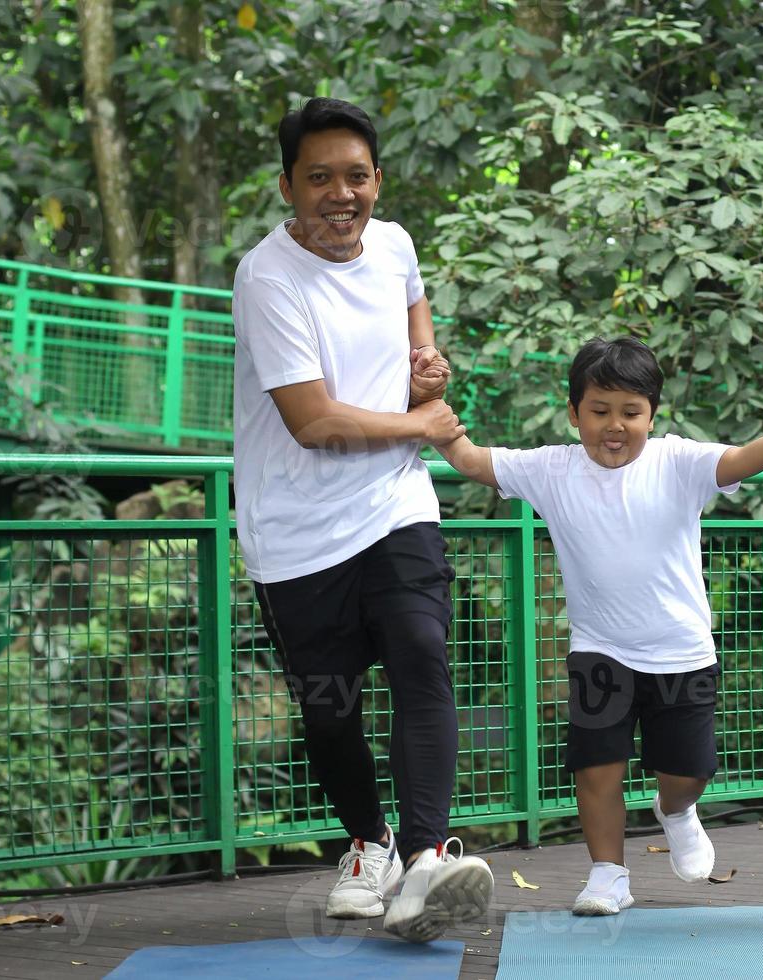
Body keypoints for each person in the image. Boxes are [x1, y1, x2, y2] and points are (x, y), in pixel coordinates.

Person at [435, 336, 763, 916]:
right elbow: (470, 460)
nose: (614, 426)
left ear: (652, 414)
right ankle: (607, 874)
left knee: (687, 773)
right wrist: (437, 418)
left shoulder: (680, 461)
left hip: (682, 651)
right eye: (599, 411)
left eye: (630, 412)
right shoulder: (550, 469)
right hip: (600, 650)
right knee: (596, 769)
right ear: (574, 413)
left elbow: (745, 458)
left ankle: (676, 812)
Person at [231, 96, 492, 943]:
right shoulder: (267, 277)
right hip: (296, 530)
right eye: (320, 180)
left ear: (376, 180)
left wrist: (427, 367)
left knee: (421, 653)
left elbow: (417, 332)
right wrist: (423, 424)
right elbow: (313, 420)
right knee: (331, 706)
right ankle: (367, 844)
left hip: (394, 503)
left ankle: (423, 858)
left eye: (356, 176)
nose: (341, 195)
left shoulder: (396, 245)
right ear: (288, 188)